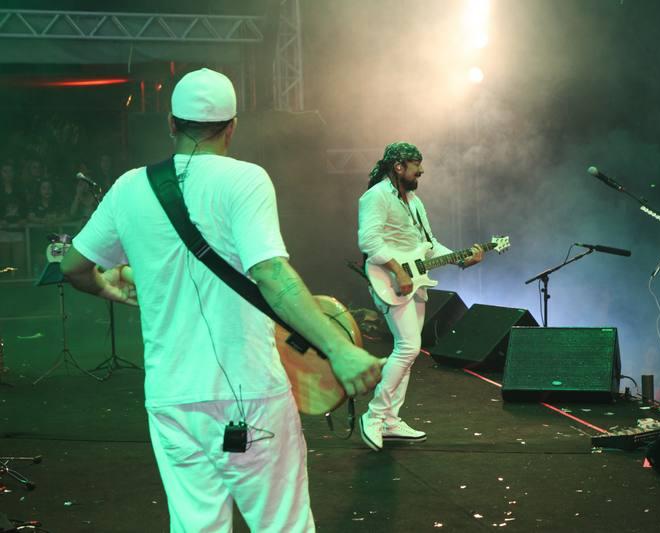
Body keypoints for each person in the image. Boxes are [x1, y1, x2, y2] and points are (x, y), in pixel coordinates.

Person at [60, 67, 384, 532]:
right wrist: (339, 349)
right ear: (232, 127)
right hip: (250, 393)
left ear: (171, 124)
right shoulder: (245, 180)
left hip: (172, 398)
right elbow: (270, 272)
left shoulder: (130, 187)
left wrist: (108, 286)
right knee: (282, 524)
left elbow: (74, 265)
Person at [357, 142, 483, 451]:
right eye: (417, 165)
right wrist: (398, 272)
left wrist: (461, 258)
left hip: (415, 281)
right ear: (399, 167)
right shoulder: (375, 197)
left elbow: (429, 245)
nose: (422, 171)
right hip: (390, 280)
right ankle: (374, 416)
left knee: (408, 352)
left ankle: (390, 420)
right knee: (409, 347)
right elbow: (369, 241)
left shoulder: (414, 202)